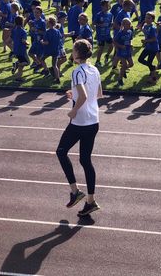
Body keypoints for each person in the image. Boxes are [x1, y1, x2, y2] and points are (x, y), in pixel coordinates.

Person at [56, 39, 102, 217]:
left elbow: (82, 95)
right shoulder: (95, 69)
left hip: (80, 121)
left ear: (77, 53)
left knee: (61, 151)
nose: (71, 52)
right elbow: (98, 94)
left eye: (73, 49)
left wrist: (74, 110)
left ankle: (75, 191)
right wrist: (73, 95)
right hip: (94, 120)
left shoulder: (77, 72)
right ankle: (90, 201)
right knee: (85, 160)